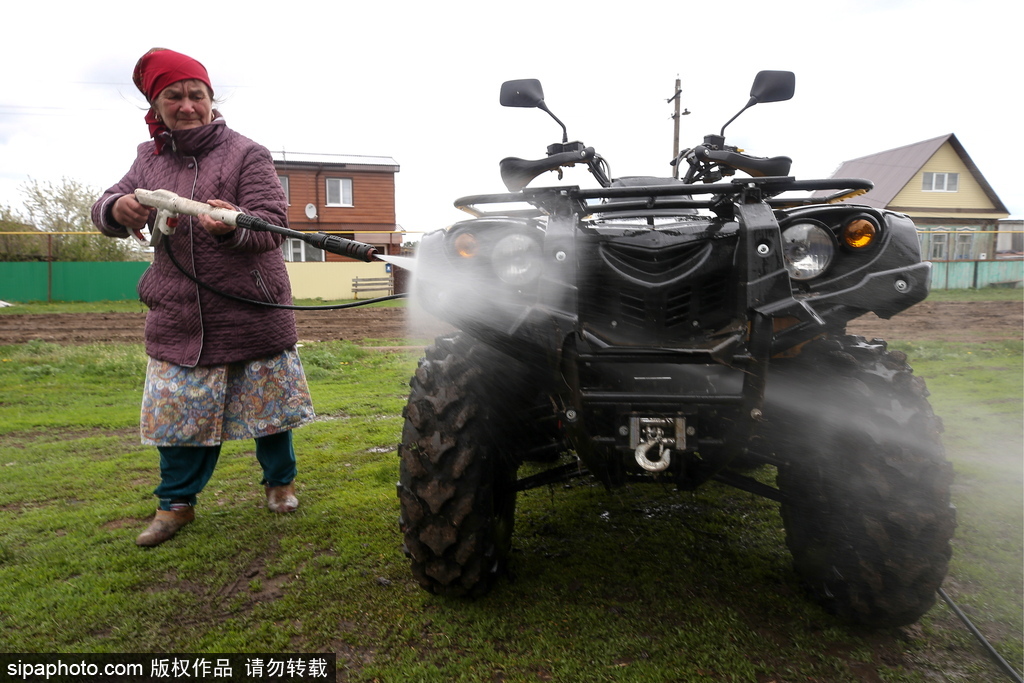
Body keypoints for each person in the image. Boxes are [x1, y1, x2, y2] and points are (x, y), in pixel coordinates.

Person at [91, 48, 315, 547]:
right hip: (176, 313)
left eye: (197, 95)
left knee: (267, 409)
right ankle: (175, 505)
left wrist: (230, 226)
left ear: (212, 99)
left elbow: (271, 224)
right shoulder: (146, 159)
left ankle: (280, 483)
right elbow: (104, 205)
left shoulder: (246, 152)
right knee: (176, 416)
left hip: (249, 309)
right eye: (174, 96)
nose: (187, 105)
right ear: (156, 104)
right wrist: (117, 208)